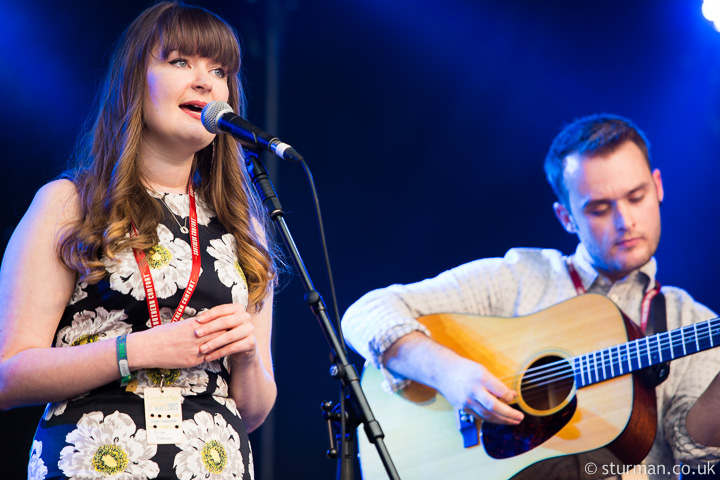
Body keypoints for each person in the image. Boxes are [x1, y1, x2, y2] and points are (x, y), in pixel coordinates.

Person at [342, 114, 720, 479]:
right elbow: (364, 314)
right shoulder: (519, 276)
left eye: (636, 197)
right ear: (566, 217)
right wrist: (450, 373)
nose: (625, 221)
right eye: (600, 209)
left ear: (658, 186)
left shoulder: (694, 322)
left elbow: (693, 456)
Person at [0, 2, 278, 479]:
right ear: (134, 81)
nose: (205, 82)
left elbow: (253, 412)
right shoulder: (70, 202)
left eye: (219, 71)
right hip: (94, 463)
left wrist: (248, 357)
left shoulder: (243, 224)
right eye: (180, 62)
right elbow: (8, 374)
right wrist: (138, 351)